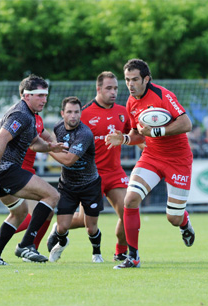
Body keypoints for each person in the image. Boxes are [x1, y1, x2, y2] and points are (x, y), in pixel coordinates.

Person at [105, 58, 195, 269]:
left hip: (178, 160)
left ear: (146, 79)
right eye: (127, 80)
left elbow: (186, 123)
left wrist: (158, 131)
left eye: (135, 79)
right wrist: (125, 139)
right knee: (131, 199)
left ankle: (184, 222)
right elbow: (138, 134)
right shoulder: (131, 102)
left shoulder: (164, 95)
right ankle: (133, 256)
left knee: (173, 217)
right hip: (152, 156)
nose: (130, 84)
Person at [0, 74, 67, 266]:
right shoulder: (21, 114)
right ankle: (26, 244)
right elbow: (0, 139)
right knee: (52, 196)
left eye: (45, 95)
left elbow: (34, 142)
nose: (44, 100)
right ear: (25, 96)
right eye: (39, 95)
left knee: (19, 213)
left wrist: (51, 147)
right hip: (3, 169)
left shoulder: (31, 116)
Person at [47, 71, 131, 261]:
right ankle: (59, 228)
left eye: (116, 88)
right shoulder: (83, 114)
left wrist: (143, 144)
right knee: (83, 222)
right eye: (109, 88)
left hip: (114, 172)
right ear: (98, 89)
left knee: (129, 213)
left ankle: (120, 253)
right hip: (91, 176)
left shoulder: (122, 112)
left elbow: (132, 137)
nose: (113, 92)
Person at [46, 97, 105, 263]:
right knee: (62, 226)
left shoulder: (84, 134)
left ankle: (96, 253)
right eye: (69, 112)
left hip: (90, 185)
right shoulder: (58, 127)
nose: (73, 116)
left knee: (91, 228)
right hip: (68, 186)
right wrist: (49, 143)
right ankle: (63, 242)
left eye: (77, 112)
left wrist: (47, 148)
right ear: (62, 113)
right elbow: (52, 140)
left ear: (81, 113)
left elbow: (68, 160)